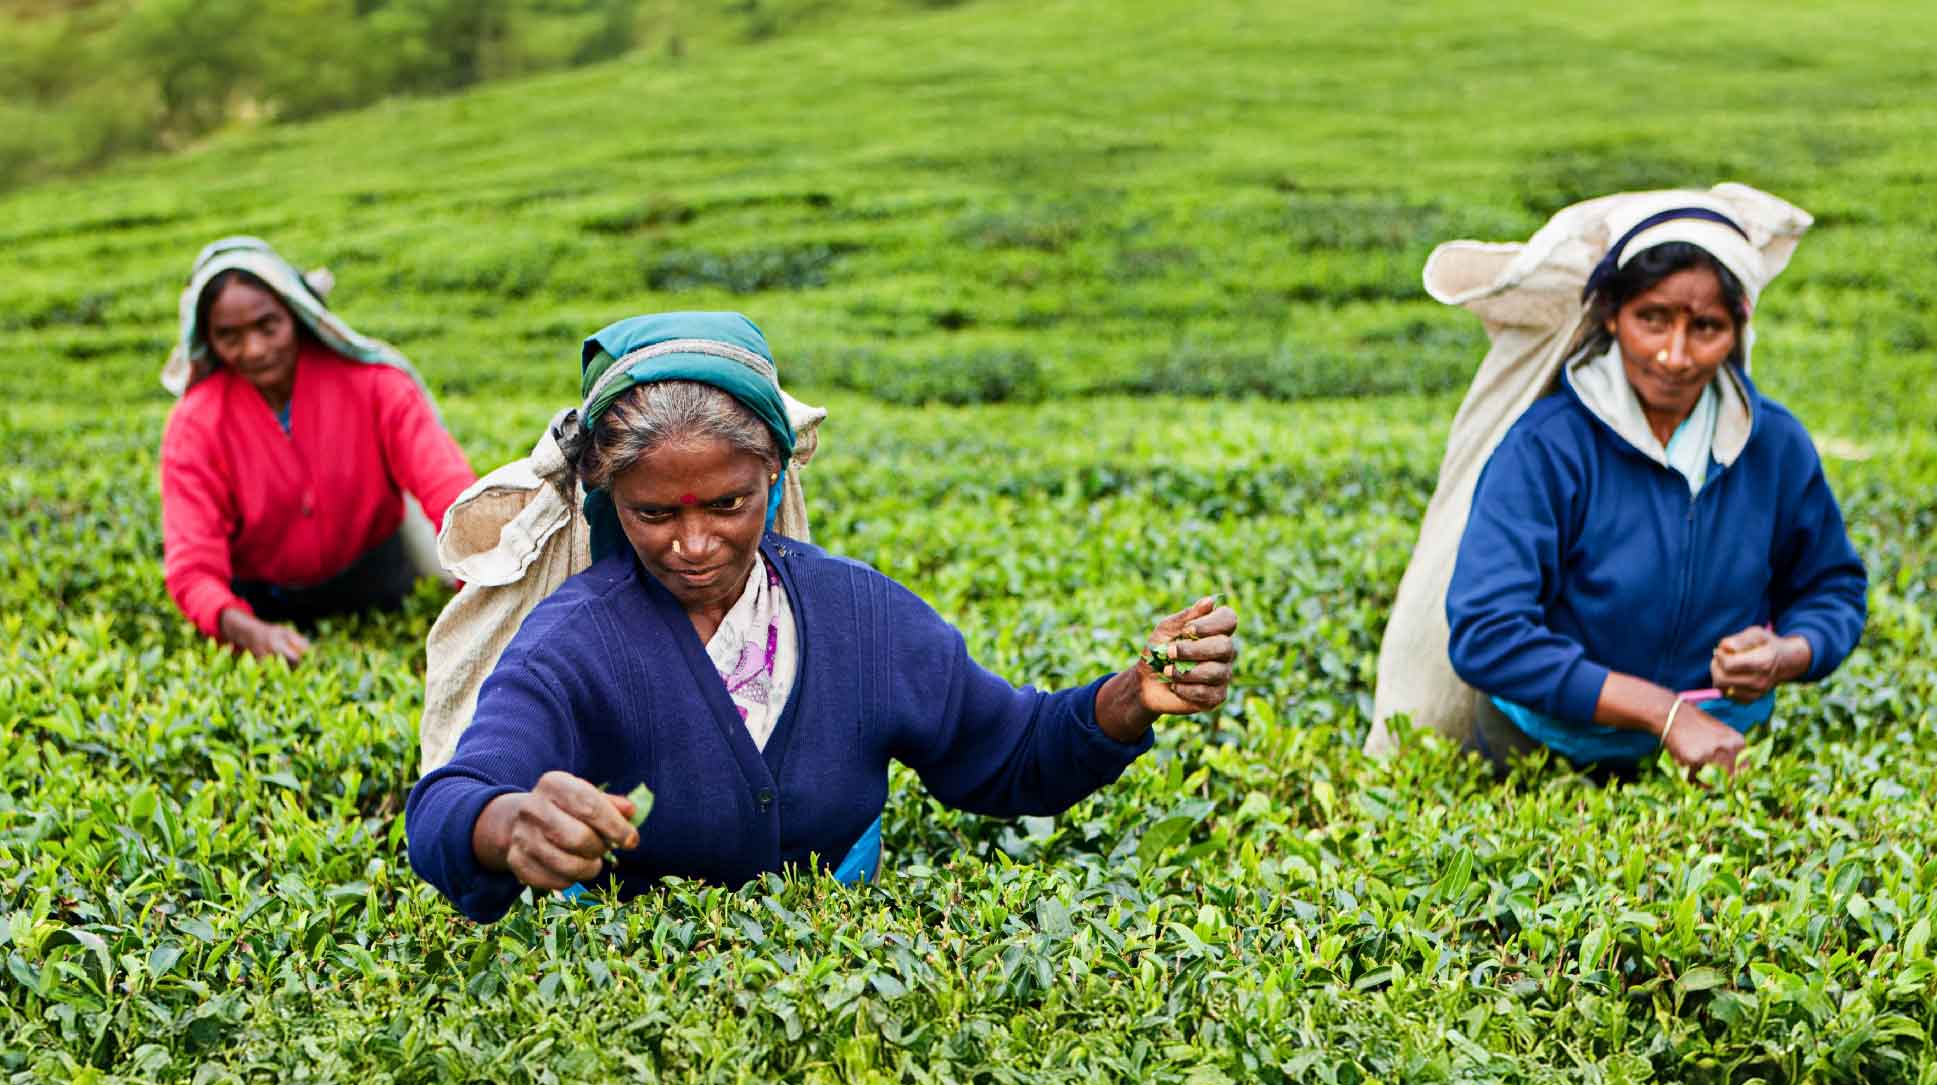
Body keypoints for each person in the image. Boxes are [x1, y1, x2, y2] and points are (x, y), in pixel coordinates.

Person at [405, 312, 1238, 923]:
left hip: (837, 952)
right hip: (635, 964)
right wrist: (508, 825)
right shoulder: (575, 640)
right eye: (655, 512)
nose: (694, 543)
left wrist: (1131, 695)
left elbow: (1010, 750)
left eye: (727, 503)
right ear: (608, 498)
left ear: (771, 471)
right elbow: (449, 800)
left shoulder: (856, 614)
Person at [1445, 206, 1867, 777]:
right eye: (1653, 319)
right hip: (1544, 753)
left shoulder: (1773, 446)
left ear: (1738, 326)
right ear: (1613, 316)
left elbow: (1832, 587)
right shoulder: (1547, 448)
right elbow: (1487, 632)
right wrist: (1664, 714)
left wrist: (1788, 654)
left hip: (1720, 752)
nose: (1675, 355)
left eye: (1706, 328)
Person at [158, 238, 477, 662]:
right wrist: (244, 628)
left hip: (379, 584)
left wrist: (480, 583)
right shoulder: (196, 425)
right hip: (263, 603)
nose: (253, 349)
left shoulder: (376, 385)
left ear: (296, 314)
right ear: (207, 339)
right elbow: (192, 565)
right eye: (228, 336)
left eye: (267, 326)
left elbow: (448, 490)